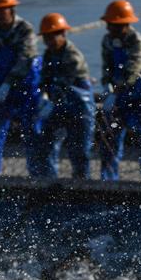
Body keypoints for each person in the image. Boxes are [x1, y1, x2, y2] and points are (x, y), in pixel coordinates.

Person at [0, 0, 42, 176]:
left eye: (2, 10)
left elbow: (25, 59)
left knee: (33, 134)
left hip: (27, 87)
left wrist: (8, 84)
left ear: (11, 10)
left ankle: (37, 179)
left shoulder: (25, 29)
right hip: (1, 88)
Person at [98, 0, 141, 183]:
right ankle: (108, 180)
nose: (109, 28)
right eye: (108, 24)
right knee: (111, 136)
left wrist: (115, 93)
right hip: (119, 100)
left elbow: (132, 72)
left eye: (113, 25)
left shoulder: (137, 42)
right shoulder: (108, 41)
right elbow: (107, 68)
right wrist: (106, 87)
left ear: (124, 24)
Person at [32, 13, 94, 179]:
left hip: (80, 107)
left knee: (79, 150)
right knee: (46, 143)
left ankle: (82, 185)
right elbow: (44, 79)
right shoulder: (48, 54)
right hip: (58, 105)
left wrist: (50, 103)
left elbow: (64, 85)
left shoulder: (73, 56)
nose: (49, 41)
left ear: (63, 34)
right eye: (46, 37)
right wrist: (43, 96)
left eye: (52, 37)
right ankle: (48, 181)